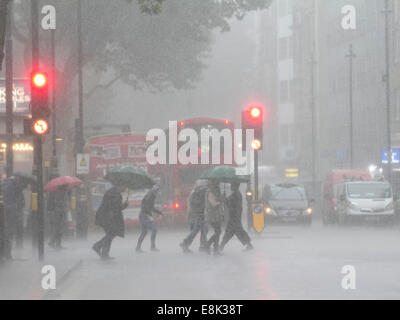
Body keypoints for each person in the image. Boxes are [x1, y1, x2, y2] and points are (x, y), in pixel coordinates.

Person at [93, 184, 128, 260]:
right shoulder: (114, 194)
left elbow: (116, 208)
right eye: (124, 186)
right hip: (106, 217)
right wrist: (123, 206)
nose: (125, 188)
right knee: (110, 234)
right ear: (119, 186)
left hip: (107, 217)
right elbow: (113, 208)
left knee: (110, 234)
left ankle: (102, 251)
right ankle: (100, 249)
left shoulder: (115, 193)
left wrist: (124, 205)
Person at [220, 182, 253, 252]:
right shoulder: (237, 194)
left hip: (234, 217)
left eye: (232, 185)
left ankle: (221, 246)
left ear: (235, 186)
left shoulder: (235, 194)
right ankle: (249, 244)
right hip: (235, 217)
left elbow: (230, 204)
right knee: (237, 232)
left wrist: (224, 199)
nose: (231, 187)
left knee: (230, 232)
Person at [180, 180, 208, 253]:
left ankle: (203, 245)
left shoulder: (194, 192)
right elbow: (203, 203)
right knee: (198, 230)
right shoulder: (202, 191)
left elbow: (190, 203)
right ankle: (185, 243)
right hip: (201, 213)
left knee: (203, 229)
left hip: (197, 213)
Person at [136, 185, 163, 253]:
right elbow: (147, 207)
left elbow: (150, 207)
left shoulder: (151, 196)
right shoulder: (150, 197)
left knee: (144, 232)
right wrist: (152, 214)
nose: (157, 193)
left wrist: (159, 212)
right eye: (157, 191)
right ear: (154, 191)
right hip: (145, 216)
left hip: (143, 215)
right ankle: (152, 247)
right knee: (154, 229)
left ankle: (138, 248)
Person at [205, 180, 224, 255]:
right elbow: (213, 204)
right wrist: (220, 201)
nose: (218, 186)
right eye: (217, 184)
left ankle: (212, 246)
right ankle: (211, 246)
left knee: (218, 231)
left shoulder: (214, 192)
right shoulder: (210, 192)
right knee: (218, 231)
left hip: (215, 215)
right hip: (212, 216)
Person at [48, 185, 70, 249]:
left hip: (59, 212)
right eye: (67, 186)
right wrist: (65, 204)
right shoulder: (61, 192)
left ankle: (57, 243)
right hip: (59, 212)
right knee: (59, 228)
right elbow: (58, 202)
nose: (68, 187)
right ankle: (53, 242)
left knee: (58, 228)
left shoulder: (59, 192)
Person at [2, 176, 18, 259]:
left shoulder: (5, 187)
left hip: (7, 212)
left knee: (7, 234)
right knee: (8, 234)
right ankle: (7, 254)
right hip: (10, 211)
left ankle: (6, 254)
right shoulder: (12, 188)